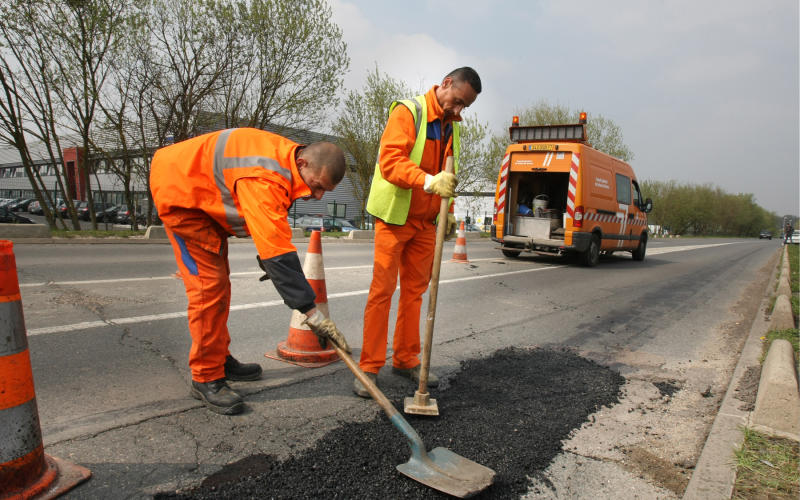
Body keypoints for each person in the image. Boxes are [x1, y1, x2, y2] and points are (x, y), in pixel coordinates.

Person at [150, 128, 351, 415]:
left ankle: (218, 359)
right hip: (182, 199)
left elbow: (269, 227)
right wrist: (314, 315)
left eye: (323, 192)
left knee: (220, 288)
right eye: (317, 186)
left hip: (198, 196)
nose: (316, 196)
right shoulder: (266, 178)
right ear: (304, 163)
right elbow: (277, 251)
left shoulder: (288, 161)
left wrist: (272, 257)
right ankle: (206, 377)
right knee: (209, 290)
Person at [354, 67, 482, 397]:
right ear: (446, 84)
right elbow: (391, 162)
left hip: (426, 224)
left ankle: (406, 359)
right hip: (395, 218)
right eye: (457, 101)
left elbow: (448, 175)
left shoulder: (451, 128)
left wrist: (448, 212)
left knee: (414, 293)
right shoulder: (408, 112)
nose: (459, 110)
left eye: (465, 106)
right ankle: (369, 368)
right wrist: (427, 181)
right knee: (382, 291)